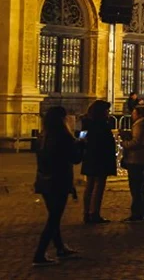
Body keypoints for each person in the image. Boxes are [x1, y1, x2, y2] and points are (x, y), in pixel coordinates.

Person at [32, 106, 82, 266]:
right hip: (59, 181)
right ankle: (40, 254)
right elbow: (75, 159)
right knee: (54, 218)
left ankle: (60, 247)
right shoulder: (64, 136)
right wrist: (80, 147)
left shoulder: (42, 136)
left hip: (44, 181)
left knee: (54, 215)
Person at [79, 100, 116, 224]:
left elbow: (82, 138)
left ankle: (86, 212)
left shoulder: (87, 123)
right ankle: (94, 213)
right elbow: (105, 142)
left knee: (90, 185)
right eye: (106, 110)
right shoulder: (102, 124)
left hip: (90, 156)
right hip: (100, 157)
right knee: (99, 185)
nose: (108, 113)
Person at [120, 105, 144, 223]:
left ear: (140, 114)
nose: (132, 116)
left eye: (134, 113)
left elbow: (137, 143)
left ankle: (137, 214)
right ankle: (143, 212)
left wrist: (124, 143)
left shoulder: (141, 125)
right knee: (141, 188)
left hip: (137, 159)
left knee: (136, 188)